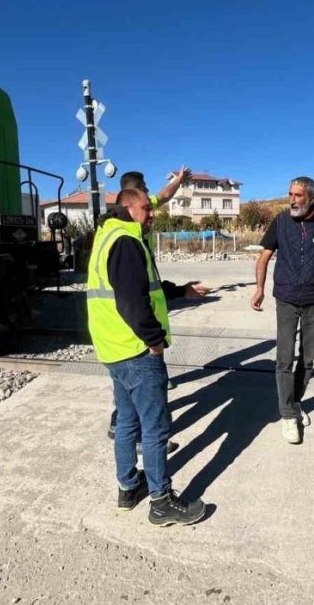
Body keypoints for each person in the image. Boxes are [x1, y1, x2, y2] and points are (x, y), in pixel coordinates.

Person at [87, 188, 209, 525]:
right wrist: (154, 341)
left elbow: (143, 287)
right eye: (146, 208)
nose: (152, 213)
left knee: (127, 421)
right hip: (136, 350)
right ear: (128, 207)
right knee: (156, 428)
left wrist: (181, 291)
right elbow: (132, 301)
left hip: (114, 349)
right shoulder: (125, 241)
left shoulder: (108, 234)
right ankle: (161, 502)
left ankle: (128, 488)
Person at [251, 177, 314, 444]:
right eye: (290, 195)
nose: (292, 200)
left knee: (307, 361)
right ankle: (287, 415)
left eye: (297, 195)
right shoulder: (281, 222)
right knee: (284, 359)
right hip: (286, 299)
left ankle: (294, 403)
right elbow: (264, 257)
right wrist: (259, 289)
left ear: (311, 198)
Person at [107, 166, 196, 439]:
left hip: (124, 326)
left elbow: (165, 195)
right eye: (145, 188)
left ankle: (125, 425)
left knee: (127, 386)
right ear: (133, 194)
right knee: (138, 385)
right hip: (132, 328)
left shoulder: (116, 221)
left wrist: (178, 181)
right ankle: (145, 437)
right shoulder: (124, 234)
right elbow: (132, 299)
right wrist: (155, 342)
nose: (151, 206)